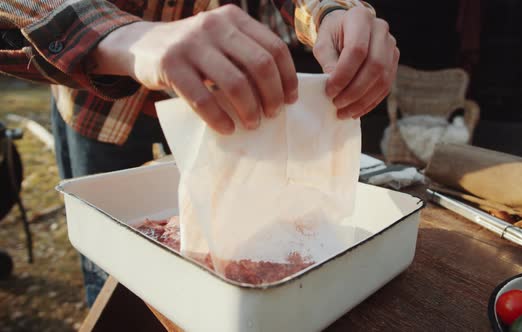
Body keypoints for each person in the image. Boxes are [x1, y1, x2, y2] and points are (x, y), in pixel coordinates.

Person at [0, 0, 399, 306]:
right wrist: (129, 38)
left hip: (223, 97)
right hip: (100, 102)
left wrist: (330, 11)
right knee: (114, 282)